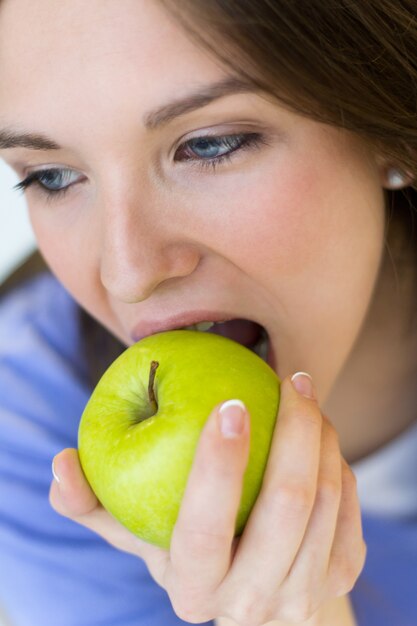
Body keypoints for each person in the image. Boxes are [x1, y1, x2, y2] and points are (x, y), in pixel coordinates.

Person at [0, 1, 416, 624]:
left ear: (392, 129)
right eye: (53, 176)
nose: (128, 272)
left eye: (208, 145)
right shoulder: (30, 443)